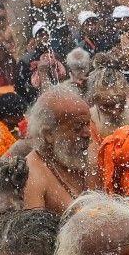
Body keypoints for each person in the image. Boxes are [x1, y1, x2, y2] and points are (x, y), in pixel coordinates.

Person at [22, 85, 95, 214]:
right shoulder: (32, 175)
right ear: (48, 134)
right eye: (77, 128)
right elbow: (34, 231)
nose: (87, 134)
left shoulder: (92, 152)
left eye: (87, 124)